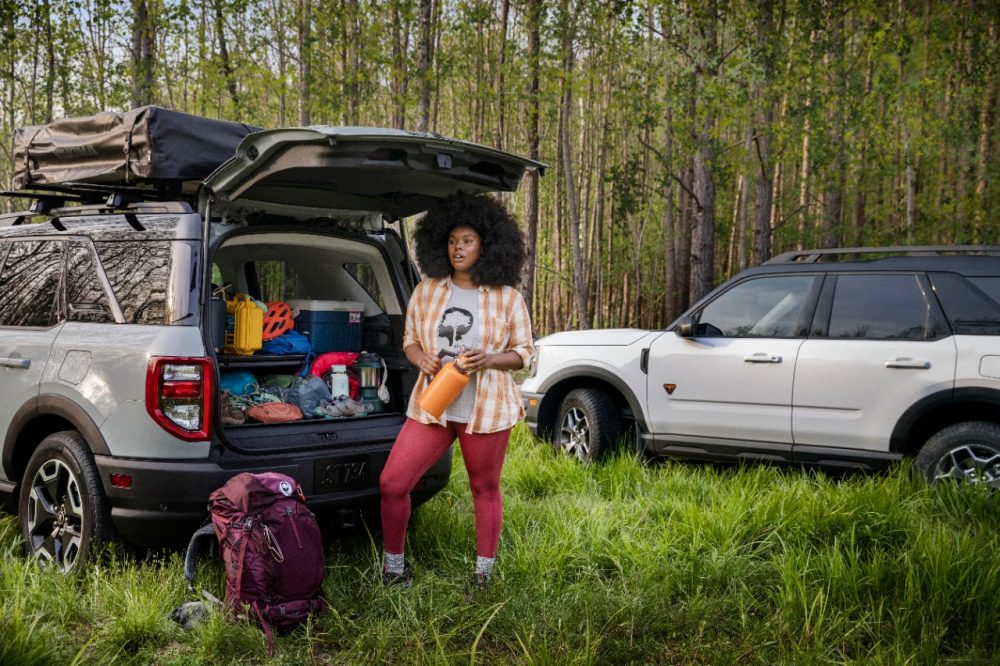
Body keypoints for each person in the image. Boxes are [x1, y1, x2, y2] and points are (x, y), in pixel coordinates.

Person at [379, 193, 534, 587]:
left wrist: (490, 359)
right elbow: (410, 340)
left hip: (486, 410)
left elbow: (523, 354)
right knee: (393, 483)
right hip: (434, 405)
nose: (458, 248)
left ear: (486, 245)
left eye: (467, 240)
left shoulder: (507, 297)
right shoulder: (428, 290)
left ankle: (483, 574)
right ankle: (394, 568)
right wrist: (421, 359)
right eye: (452, 240)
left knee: (484, 489)